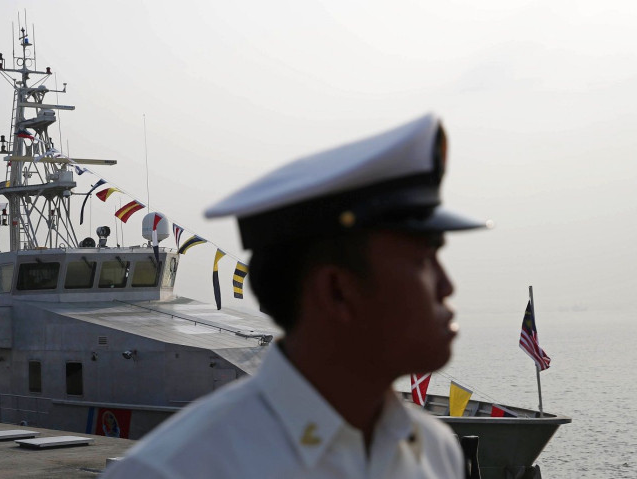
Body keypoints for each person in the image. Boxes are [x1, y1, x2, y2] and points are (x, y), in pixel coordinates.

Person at [101, 113, 488, 478]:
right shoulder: (175, 470)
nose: (446, 286)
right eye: (422, 261)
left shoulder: (434, 450)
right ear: (337, 292)